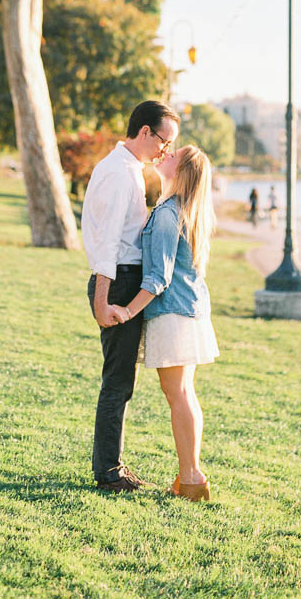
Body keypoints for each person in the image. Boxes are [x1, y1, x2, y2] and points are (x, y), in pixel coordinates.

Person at [111, 145, 218, 502]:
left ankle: (191, 476)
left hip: (173, 313)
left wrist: (127, 311)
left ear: (181, 170)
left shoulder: (168, 213)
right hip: (189, 312)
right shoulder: (181, 211)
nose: (164, 154)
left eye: (174, 154)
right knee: (185, 394)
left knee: (179, 395)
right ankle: (190, 475)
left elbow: (158, 277)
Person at [83, 100, 180, 492]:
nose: (166, 151)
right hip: (118, 281)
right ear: (144, 132)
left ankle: (110, 466)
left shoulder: (126, 170)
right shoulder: (122, 176)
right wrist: (103, 301)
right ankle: (109, 471)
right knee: (118, 381)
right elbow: (108, 245)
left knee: (121, 380)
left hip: (121, 279)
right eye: (163, 141)